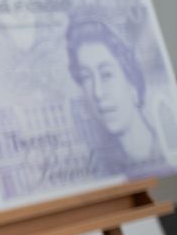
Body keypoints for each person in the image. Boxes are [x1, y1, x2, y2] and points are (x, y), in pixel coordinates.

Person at [66, 19, 164, 172]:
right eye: (86, 77)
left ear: (132, 82)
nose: (97, 93)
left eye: (106, 75)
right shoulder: (98, 169)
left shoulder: (164, 150)